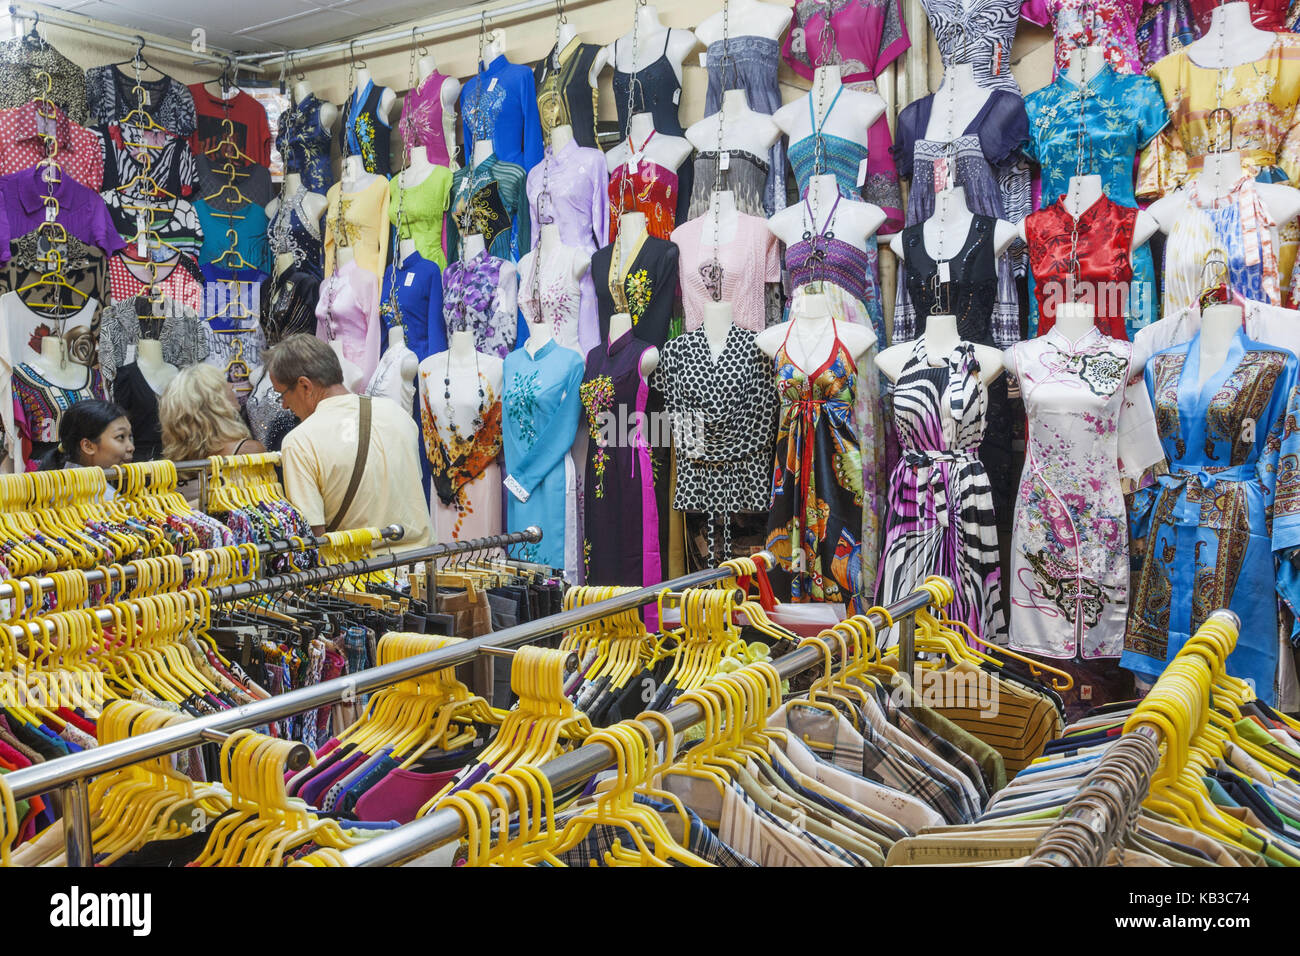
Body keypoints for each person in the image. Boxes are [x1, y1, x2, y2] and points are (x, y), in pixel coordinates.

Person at [265, 333, 434, 549]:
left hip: (359, 577)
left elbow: (315, 540)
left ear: (305, 386)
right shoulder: (397, 414)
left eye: (282, 394)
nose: (284, 406)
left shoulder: (299, 442)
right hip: (421, 569)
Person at [158, 364, 267, 461]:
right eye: (223, 383)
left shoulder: (170, 466)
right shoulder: (247, 451)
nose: (231, 385)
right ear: (216, 402)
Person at [37, 400, 134, 470]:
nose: (131, 447)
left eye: (130, 437)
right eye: (121, 437)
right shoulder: (92, 495)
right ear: (88, 446)